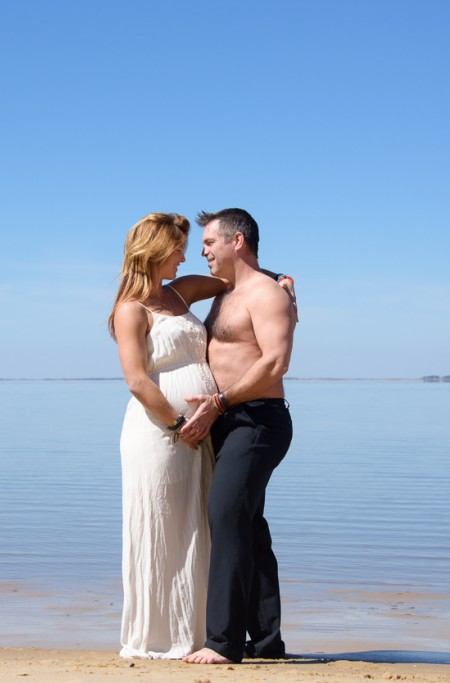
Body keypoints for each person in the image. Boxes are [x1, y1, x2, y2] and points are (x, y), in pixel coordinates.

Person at [109, 212, 296, 660]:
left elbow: (247, 283)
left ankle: (220, 636)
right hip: (171, 429)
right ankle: (203, 636)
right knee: (198, 523)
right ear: (155, 250)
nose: (190, 254)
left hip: (228, 421)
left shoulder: (184, 291)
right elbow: (136, 380)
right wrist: (180, 423)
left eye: (204, 243)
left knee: (215, 522)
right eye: (180, 246)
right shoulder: (131, 308)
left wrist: (281, 281)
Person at [181, 208, 297, 665]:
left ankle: (222, 643)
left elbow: (275, 363)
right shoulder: (227, 292)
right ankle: (268, 643)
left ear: (237, 241)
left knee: (225, 517)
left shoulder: (267, 294)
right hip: (227, 420)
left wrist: (221, 403)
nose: (203, 250)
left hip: (258, 420)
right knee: (248, 527)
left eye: (209, 242)